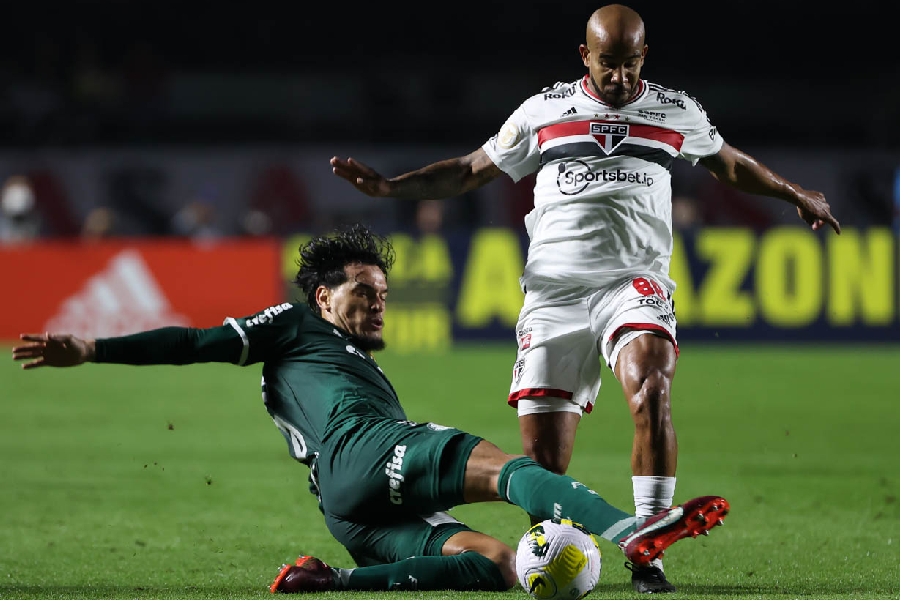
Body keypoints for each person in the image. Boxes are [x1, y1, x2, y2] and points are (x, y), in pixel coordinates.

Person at [329, 4, 839, 593]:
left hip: (633, 281)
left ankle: (649, 550)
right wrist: (392, 188)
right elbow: (471, 171)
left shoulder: (676, 110)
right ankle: (555, 558)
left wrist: (793, 191)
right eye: (608, 64)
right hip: (553, 296)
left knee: (651, 381)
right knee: (544, 461)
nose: (620, 77)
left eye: (630, 64)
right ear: (584, 56)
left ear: (644, 56)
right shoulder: (543, 111)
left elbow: (730, 165)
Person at [12, 225, 729, 594]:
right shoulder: (296, 325)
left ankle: (331, 582)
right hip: (364, 450)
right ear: (324, 297)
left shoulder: (351, 363)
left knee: (501, 566)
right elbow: (196, 342)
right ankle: (630, 530)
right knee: (506, 470)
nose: (376, 301)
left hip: (348, 509)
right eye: (363, 291)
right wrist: (95, 349)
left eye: (382, 292)